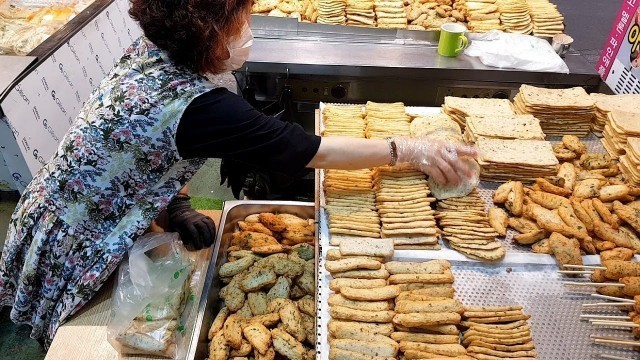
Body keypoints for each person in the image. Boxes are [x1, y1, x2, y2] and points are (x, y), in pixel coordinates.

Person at [0, 0, 476, 346]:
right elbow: (310, 150)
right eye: (241, 21)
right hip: (76, 231)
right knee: (89, 334)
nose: (249, 30)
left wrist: (177, 205)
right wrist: (404, 149)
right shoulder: (203, 107)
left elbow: (148, 151)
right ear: (206, 32)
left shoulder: (152, 51)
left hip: (66, 201)